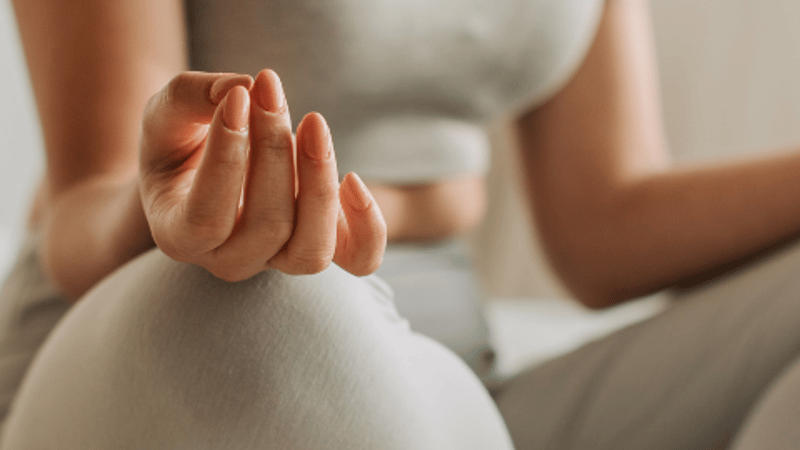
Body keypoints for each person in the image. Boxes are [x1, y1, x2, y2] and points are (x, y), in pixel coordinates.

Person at [3, 0, 800, 448]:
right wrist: (180, 213)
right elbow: (87, 196)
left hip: (453, 371)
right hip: (171, 336)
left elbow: (603, 223)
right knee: (279, 301)